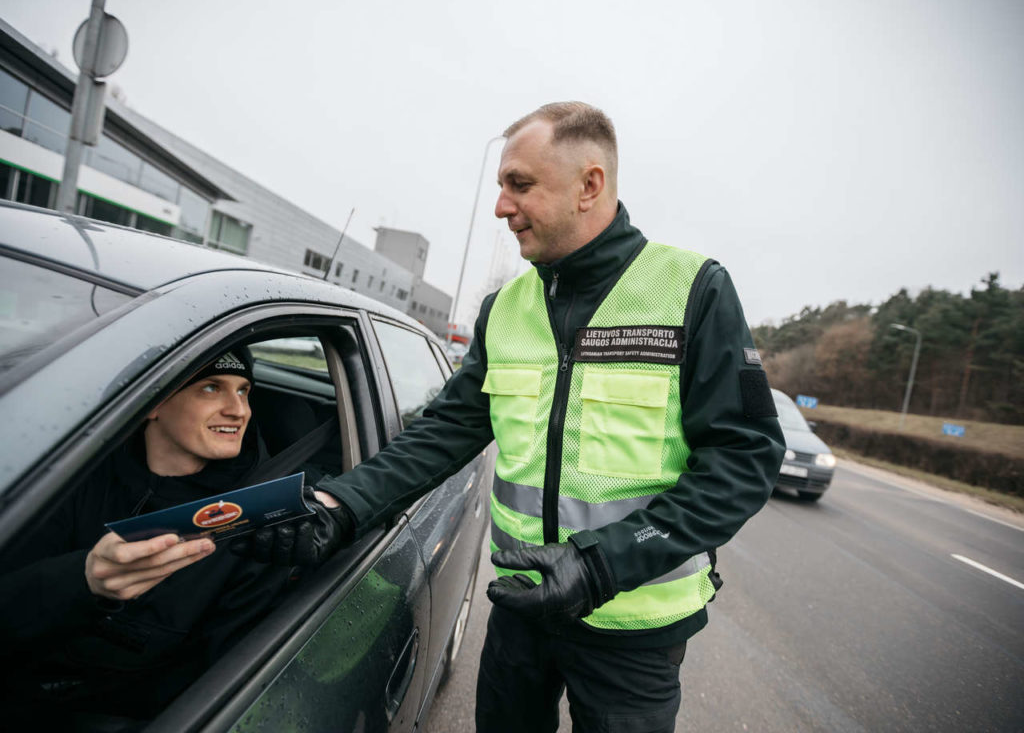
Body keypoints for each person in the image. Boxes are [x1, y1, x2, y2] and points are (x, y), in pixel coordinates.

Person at [312, 101, 784, 732]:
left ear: (589, 185)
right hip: (522, 610)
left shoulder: (693, 290)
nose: (502, 207)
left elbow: (745, 459)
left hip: (635, 630)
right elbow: (444, 432)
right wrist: (342, 504)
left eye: (520, 185)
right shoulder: (504, 308)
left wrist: (603, 563)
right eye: (501, 187)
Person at [0, 347, 344, 727]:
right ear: (152, 405)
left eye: (243, 390)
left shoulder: (259, 520)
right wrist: (83, 581)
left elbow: (214, 691)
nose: (239, 410)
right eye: (212, 388)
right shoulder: (73, 471)